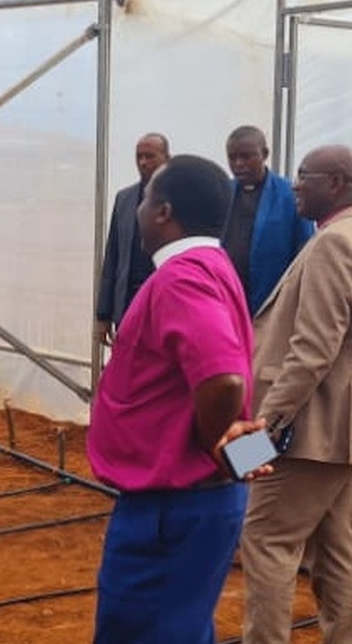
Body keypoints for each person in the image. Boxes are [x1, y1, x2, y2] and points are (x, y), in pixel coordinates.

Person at [88, 154, 264, 644]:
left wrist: (215, 448)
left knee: (144, 630)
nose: (138, 208)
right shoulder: (214, 264)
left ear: (163, 212)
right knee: (181, 626)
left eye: (145, 199)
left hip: (171, 505)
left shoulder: (182, 277)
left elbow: (225, 379)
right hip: (196, 498)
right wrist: (231, 456)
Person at [240, 145, 352, 644]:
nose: (295, 185)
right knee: (335, 544)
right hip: (342, 430)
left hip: (309, 429)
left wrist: (265, 422)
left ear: (338, 181)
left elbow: (312, 351)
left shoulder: (335, 244)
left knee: (266, 539)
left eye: (304, 176)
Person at [221, 125, 315, 315]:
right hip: (227, 301)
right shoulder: (222, 193)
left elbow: (305, 252)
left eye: (246, 157)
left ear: (264, 154)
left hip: (272, 305)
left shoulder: (290, 195)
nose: (238, 164)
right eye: (232, 157)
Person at [94, 132, 171, 346]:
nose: (143, 162)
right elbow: (112, 258)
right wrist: (103, 314)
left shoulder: (179, 199)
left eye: (150, 156)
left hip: (163, 302)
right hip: (128, 302)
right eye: (139, 157)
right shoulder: (125, 199)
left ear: (167, 159)